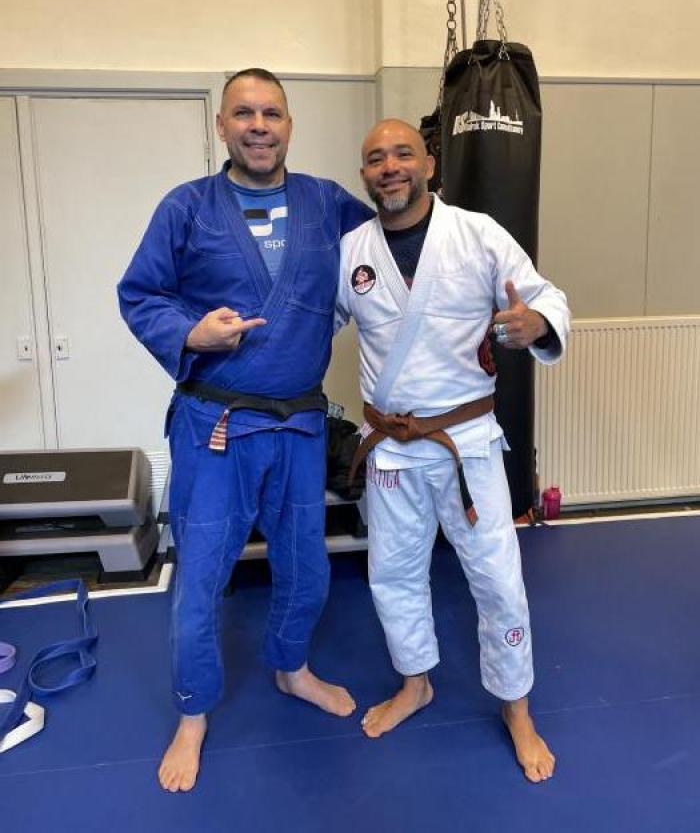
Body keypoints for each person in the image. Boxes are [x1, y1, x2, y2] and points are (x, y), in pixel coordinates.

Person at [118, 68, 372, 793]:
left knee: (306, 562)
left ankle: (291, 667)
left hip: (298, 426)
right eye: (244, 113)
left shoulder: (327, 203)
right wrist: (189, 331)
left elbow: (392, 247)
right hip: (216, 425)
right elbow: (139, 292)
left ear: (289, 125)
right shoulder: (188, 207)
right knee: (202, 572)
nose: (259, 126)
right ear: (221, 125)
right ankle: (193, 709)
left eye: (272, 113)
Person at [335, 119, 570, 783]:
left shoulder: (478, 234)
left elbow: (545, 296)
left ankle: (516, 706)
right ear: (364, 175)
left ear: (429, 164)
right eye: (375, 158)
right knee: (393, 573)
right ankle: (416, 682)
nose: (389, 166)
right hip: (391, 449)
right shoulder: (351, 250)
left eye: (402, 153)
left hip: (467, 446)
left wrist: (536, 322)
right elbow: (312, 323)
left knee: (497, 577)